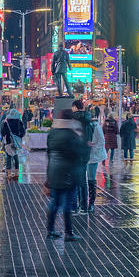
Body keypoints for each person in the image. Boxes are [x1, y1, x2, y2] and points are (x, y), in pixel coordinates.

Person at [45, 107, 84, 241]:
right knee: (68, 204)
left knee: (54, 202)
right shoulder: (72, 134)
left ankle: (50, 230)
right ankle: (69, 232)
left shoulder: (53, 132)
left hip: (54, 172)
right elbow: (79, 154)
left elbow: (49, 153)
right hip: (68, 173)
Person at [71, 100, 93, 213]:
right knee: (83, 180)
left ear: (74, 107)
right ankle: (84, 206)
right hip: (85, 153)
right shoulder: (89, 120)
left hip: (74, 152)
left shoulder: (72, 119)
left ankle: (74, 207)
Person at [86, 114, 106, 213]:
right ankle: (82, 203)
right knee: (82, 179)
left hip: (92, 157)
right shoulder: (83, 126)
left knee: (91, 179)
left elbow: (102, 141)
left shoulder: (95, 126)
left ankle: (91, 204)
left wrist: (93, 148)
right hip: (84, 155)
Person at [1, 108, 26, 179]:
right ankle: (16, 173)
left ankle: (9, 174)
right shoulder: (19, 122)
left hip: (8, 141)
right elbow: (23, 132)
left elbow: (3, 132)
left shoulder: (6, 122)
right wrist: (18, 137)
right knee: (16, 156)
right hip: (17, 142)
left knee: (8, 157)